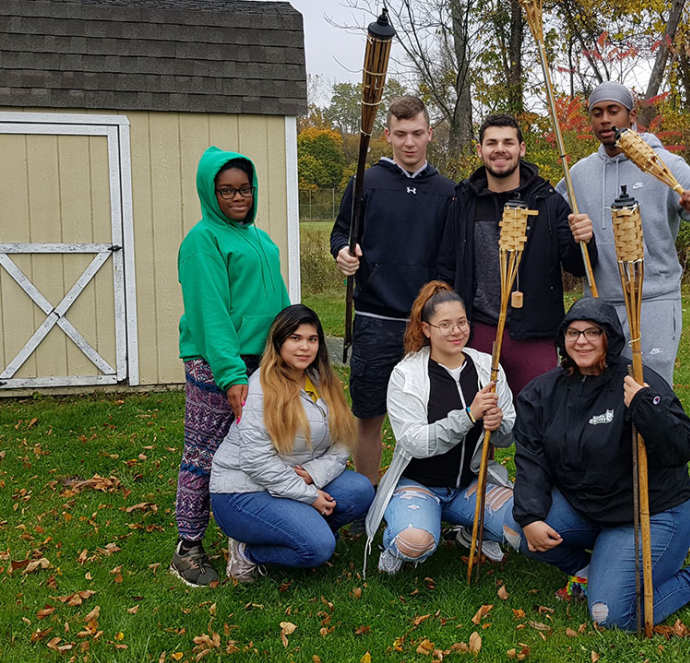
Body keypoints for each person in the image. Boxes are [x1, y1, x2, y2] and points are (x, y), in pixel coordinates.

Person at [512, 298, 690, 631]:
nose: (582, 341)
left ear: (609, 337)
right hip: (588, 507)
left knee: (612, 616)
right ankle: (589, 572)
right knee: (514, 527)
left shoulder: (637, 380)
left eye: (592, 332)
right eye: (573, 332)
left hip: (650, 513)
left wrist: (646, 408)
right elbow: (531, 458)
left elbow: (681, 448)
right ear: (562, 339)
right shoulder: (543, 392)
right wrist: (530, 516)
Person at [172, 147, 291, 587]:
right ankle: (188, 546)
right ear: (210, 192)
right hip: (218, 363)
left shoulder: (259, 239)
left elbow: (278, 303)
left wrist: (290, 351)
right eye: (227, 191)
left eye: (245, 189)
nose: (238, 197)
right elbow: (210, 314)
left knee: (256, 450)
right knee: (204, 453)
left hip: (264, 361)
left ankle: (242, 538)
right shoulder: (203, 240)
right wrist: (230, 375)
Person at [564, 82, 690, 386]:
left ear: (631, 116)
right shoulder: (577, 174)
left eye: (613, 111)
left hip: (653, 300)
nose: (605, 120)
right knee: (603, 396)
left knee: (651, 392)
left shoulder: (665, 165)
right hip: (600, 304)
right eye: (597, 113)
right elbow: (555, 228)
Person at [331, 96, 456, 489]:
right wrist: (343, 253)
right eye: (400, 134)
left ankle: (425, 493)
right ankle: (366, 497)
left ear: (430, 134)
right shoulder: (366, 182)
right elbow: (341, 234)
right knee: (369, 416)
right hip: (375, 320)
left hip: (427, 324)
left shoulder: (448, 192)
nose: (409, 142)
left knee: (433, 415)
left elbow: (451, 257)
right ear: (387, 135)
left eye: (417, 133)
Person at [363, 281, 520, 574]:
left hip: (469, 485)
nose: (456, 331)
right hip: (419, 483)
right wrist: (468, 416)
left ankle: (469, 533)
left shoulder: (488, 367)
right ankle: (396, 542)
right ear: (426, 329)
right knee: (415, 543)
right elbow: (415, 443)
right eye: (445, 324)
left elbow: (508, 435)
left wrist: (498, 426)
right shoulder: (406, 374)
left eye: (461, 322)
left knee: (526, 525)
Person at [210, 305, 374, 582]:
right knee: (319, 547)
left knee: (359, 490)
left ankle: (299, 528)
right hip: (242, 492)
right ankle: (248, 551)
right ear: (278, 342)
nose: (304, 347)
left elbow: (342, 443)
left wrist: (314, 475)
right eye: (295, 338)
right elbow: (255, 462)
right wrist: (310, 496)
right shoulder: (260, 388)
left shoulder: (322, 381)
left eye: (312, 339)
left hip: (293, 481)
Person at [437, 114, 597, 395]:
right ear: (480, 150)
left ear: (521, 149)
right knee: (481, 423)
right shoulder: (462, 200)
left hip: (534, 332)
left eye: (508, 142)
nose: (500, 149)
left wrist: (585, 240)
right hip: (477, 331)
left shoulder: (548, 202)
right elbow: (446, 266)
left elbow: (578, 266)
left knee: (537, 421)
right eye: (492, 142)